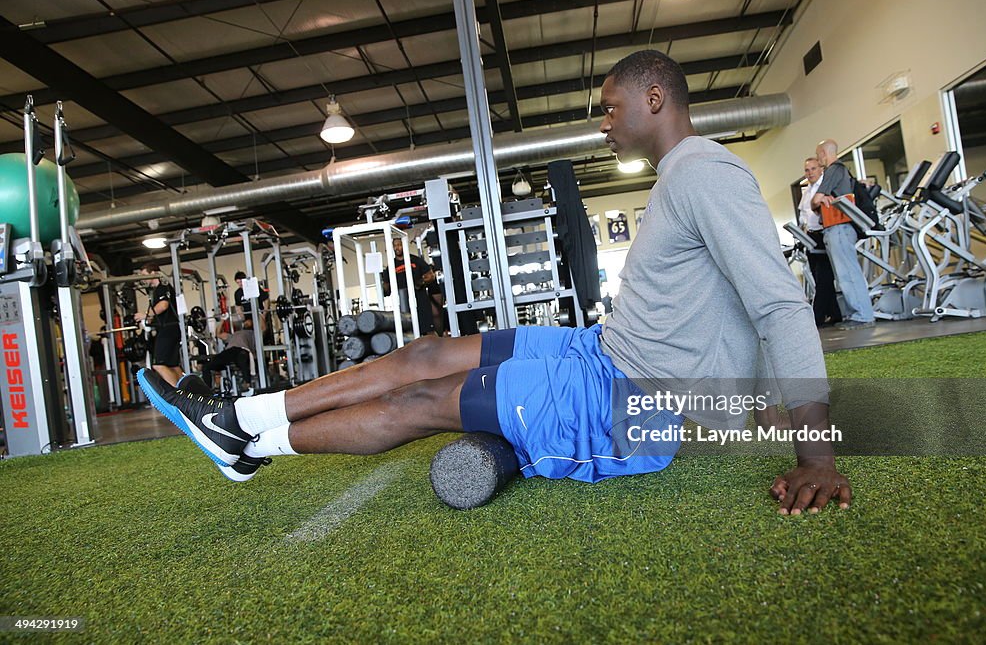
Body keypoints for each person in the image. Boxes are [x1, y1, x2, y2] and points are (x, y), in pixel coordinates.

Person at [138, 50, 850, 515]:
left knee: (420, 399)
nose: (603, 123)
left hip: (629, 403)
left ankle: (252, 445)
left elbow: (781, 305)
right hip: (597, 350)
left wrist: (814, 454)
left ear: (655, 97)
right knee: (425, 352)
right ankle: (240, 418)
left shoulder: (706, 172)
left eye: (609, 107)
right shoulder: (678, 177)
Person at [811, 140, 876, 330]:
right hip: (836, 228)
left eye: (818, 154)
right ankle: (858, 313)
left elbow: (815, 200)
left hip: (840, 228)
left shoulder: (834, 169)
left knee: (848, 272)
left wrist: (820, 198)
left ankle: (863, 315)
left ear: (824, 153)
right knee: (844, 274)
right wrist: (820, 200)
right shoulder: (842, 171)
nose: (818, 158)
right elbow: (817, 203)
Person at [798, 157, 842, 326]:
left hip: (823, 234)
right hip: (810, 237)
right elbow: (804, 217)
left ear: (821, 169)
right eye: (807, 170)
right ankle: (835, 313)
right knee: (818, 277)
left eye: (813, 169)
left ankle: (817, 317)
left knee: (824, 277)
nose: (810, 173)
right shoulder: (807, 191)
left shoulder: (825, 188)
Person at [137, 262, 184, 386]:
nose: (143, 279)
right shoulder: (158, 290)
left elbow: (163, 305)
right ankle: (187, 394)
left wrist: (146, 315)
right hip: (170, 328)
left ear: (153, 273)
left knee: (158, 365)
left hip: (168, 329)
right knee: (173, 365)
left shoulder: (163, 287)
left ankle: (178, 397)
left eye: (144, 275)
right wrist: (149, 319)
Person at [383, 238, 440, 336]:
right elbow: (386, 287)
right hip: (403, 301)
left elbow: (431, 276)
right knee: (408, 331)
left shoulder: (415, 260)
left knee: (428, 328)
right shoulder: (391, 266)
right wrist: (384, 290)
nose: (397, 247)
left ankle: (438, 348)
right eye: (395, 245)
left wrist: (421, 282)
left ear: (404, 246)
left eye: (399, 245)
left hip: (420, 299)